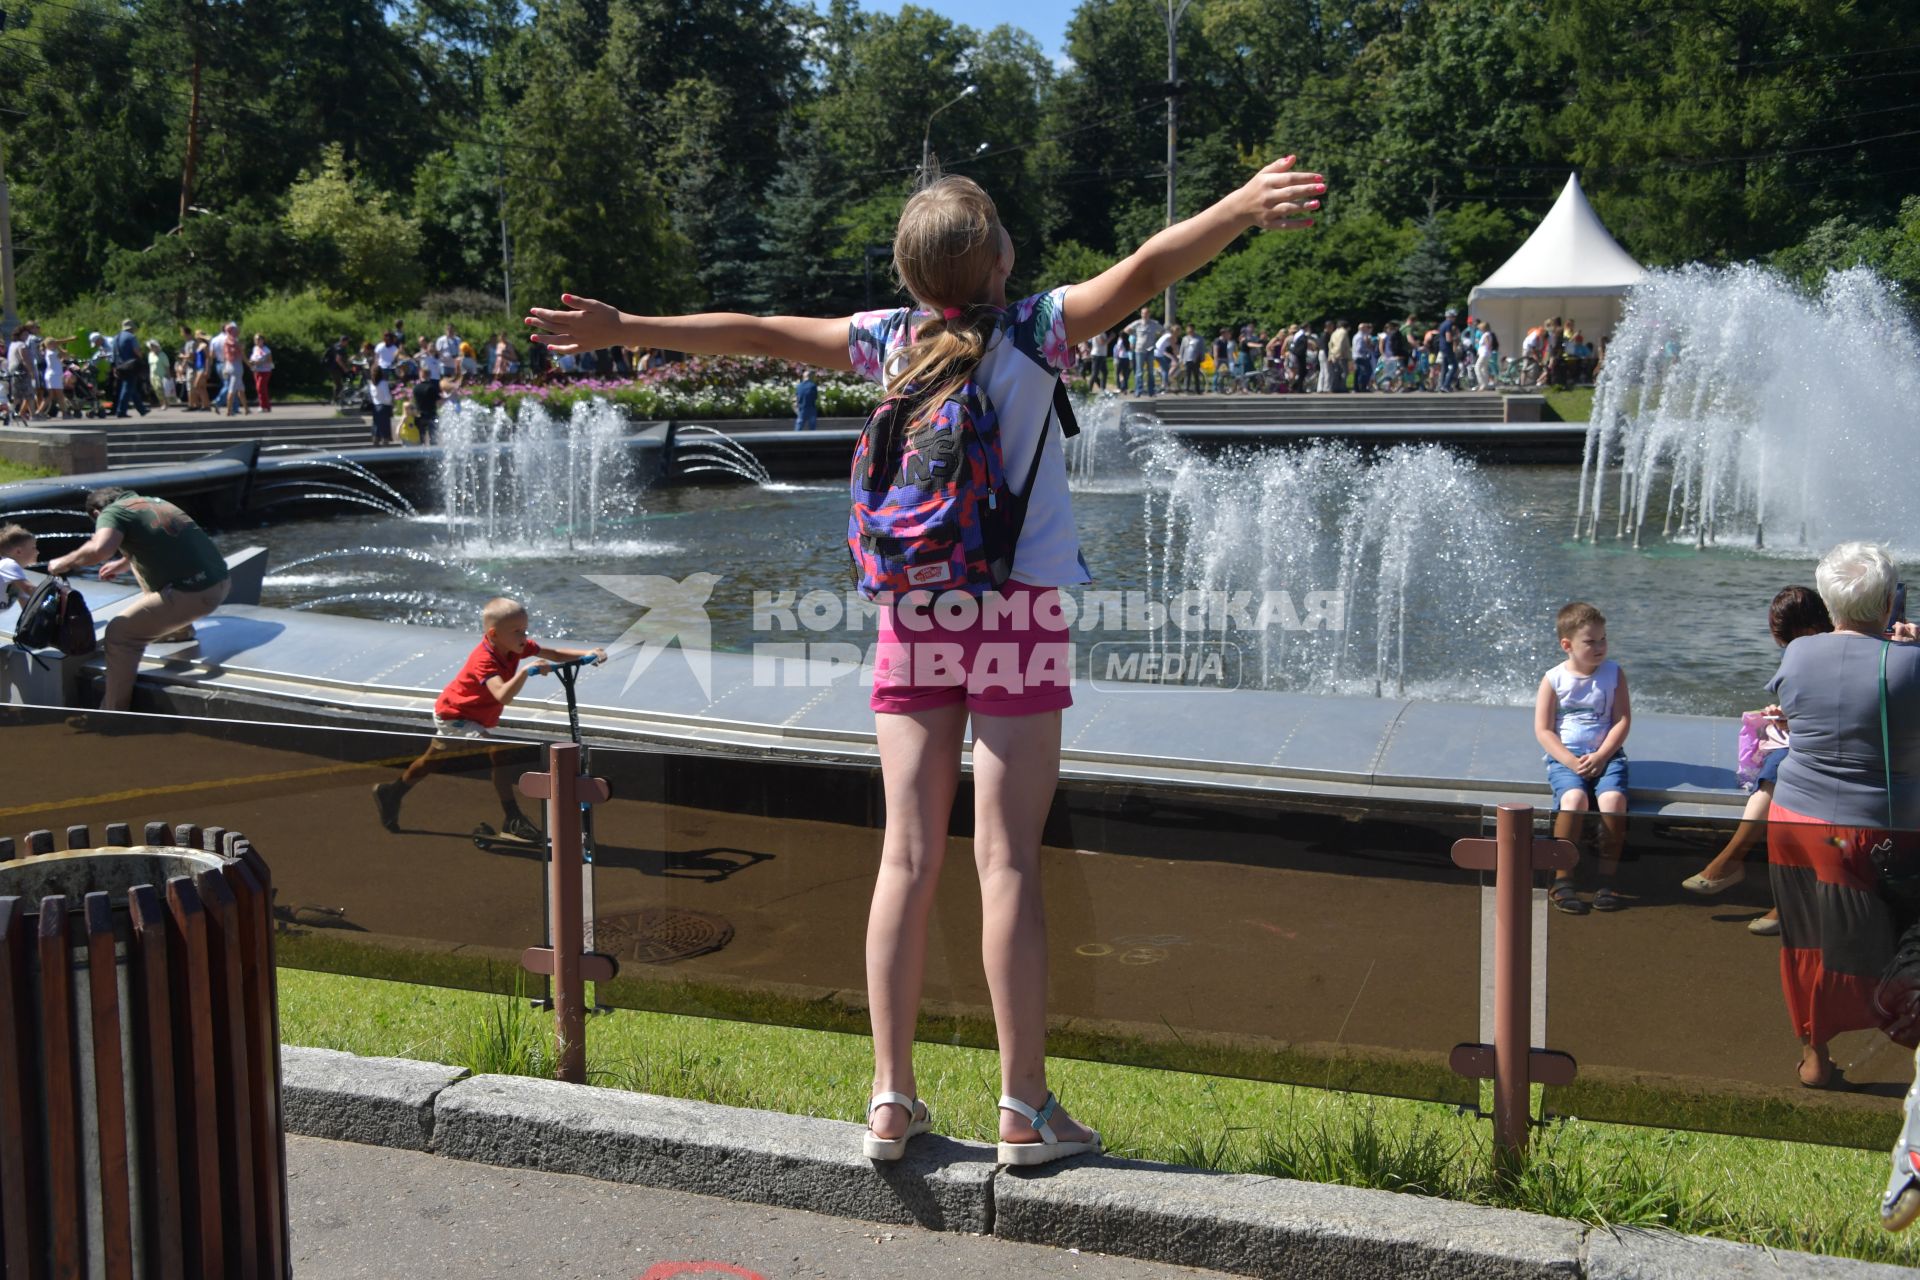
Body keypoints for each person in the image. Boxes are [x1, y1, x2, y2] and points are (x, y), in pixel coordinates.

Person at [523, 152, 1325, 1165]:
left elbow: (756, 330)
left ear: (910, 280)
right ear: (998, 261)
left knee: (905, 856)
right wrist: (1246, 207)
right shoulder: (1035, 329)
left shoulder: (887, 342)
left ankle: (891, 1099)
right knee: (1008, 861)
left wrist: (625, 329)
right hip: (1017, 616)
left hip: (913, 613)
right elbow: (1152, 265)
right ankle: (1023, 1107)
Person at [1764, 543, 1920, 1095]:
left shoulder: (1798, 655)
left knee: (1808, 941)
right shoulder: (1910, 662)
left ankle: (1814, 1056)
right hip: (1875, 830)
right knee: (1904, 939)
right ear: (1887, 602)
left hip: (1793, 820)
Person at [372, 597, 606, 838]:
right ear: (494, 635)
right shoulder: (484, 660)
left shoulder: (515, 646)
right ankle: (512, 818)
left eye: (525, 630)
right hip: (456, 715)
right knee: (498, 752)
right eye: (517, 631)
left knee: (432, 761)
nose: (523, 637)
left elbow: (555, 653)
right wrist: (526, 672)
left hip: (476, 716)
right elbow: (502, 695)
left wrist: (587, 654)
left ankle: (392, 792)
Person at [1682, 587, 1834, 937]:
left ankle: (1736, 861)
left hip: (1830, 751)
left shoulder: (1815, 653)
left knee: (1785, 784)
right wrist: (1785, 716)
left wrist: (1791, 720)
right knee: (1777, 777)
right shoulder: (1815, 650)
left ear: (1805, 631)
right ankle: (1777, 893)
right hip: (1811, 746)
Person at [47, 488, 230, 716]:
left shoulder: (111, 512)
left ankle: (113, 714)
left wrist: (62, 563)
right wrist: (122, 564)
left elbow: (99, 550)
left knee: (120, 634)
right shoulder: (150, 501)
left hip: (191, 596)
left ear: (95, 513)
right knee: (135, 557)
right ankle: (180, 630)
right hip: (219, 583)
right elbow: (156, 539)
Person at [1534, 601, 1631, 914]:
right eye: (1590, 641)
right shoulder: (1553, 679)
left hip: (1607, 755)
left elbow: (1622, 720)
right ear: (1567, 645)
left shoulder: (1614, 674)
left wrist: (1603, 755)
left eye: (1603, 639)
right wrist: (1569, 761)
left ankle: (1609, 876)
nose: (1599, 646)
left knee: (1613, 801)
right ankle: (1562, 877)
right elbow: (1544, 730)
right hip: (1568, 758)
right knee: (1575, 799)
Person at [111, 320, 150, 418]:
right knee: (127, 388)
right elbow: (137, 351)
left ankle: (142, 410)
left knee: (131, 388)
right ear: (132, 328)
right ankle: (121, 411)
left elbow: (113, 354)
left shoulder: (116, 337)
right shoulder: (131, 337)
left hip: (120, 366)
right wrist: (141, 358)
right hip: (130, 366)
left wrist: (114, 367)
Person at [1124, 306, 1162, 395]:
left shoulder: (1154, 324)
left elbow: (1162, 330)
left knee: (1150, 371)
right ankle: (1138, 390)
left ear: (1149, 314)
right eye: (1143, 313)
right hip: (1139, 350)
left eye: (1146, 313)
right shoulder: (1137, 323)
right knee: (1139, 371)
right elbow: (1126, 330)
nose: (1144, 315)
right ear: (1141, 314)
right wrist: (1134, 333)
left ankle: (1151, 391)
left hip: (1150, 349)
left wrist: (1156, 336)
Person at [0, 524, 37, 607]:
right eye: (33, 547)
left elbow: (26, 609)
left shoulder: (16, 579)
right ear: (18, 551)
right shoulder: (8, 564)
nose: (37, 552)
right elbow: (30, 589)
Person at [248, 333, 274, 412]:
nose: (257, 341)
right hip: (256, 370)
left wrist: (261, 361)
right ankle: (266, 406)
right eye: (255, 339)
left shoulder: (266, 350)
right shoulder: (255, 348)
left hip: (265, 371)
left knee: (260, 387)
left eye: (259, 339)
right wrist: (252, 362)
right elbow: (252, 358)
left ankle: (263, 406)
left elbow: (269, 360)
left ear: (263, 340)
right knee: (260, 389)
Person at [369, 364, 394, 444]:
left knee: (377, 423)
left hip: (376, 405)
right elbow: (387, 396)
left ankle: (376, 438)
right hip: (384, 405)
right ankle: (385, 439)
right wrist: (391, 402)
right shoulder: (383, 383)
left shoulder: (371, 383)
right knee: (385, 424)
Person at [1178, 324, 1203, 394]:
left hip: (1196, 358)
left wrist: (1202, 357)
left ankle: (1197, 389)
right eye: (1188, 329)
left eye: (1191, 329)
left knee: (1196, 375)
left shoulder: (1199, 338)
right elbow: (1182, 349)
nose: (1189, 330)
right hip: (1187, 358)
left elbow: (1202, 348)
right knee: (1187, 375)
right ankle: (1186, 389)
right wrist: (1181, 359)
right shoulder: (1185, 338)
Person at [1327, 319, 1350, 393]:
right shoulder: (1343, 332)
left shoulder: (1334, 332)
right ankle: (1342, 387)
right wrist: (1340, 353)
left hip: (1333, 354)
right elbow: (1341, 344)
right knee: (1344, 372)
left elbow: (1330, 344)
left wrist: (1331, 354)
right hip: (1341, 355)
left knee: (1336, 373)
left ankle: (1335, 387)